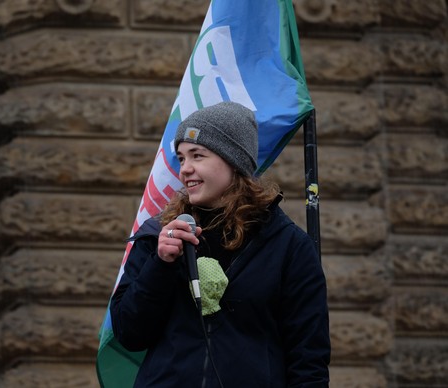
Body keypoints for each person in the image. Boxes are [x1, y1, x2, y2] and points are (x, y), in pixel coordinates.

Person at [110, 101, 330, 387]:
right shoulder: (157, 236)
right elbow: (129, 334)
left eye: (197, 156)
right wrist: (161, 264)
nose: (184, 169)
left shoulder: (289, 246)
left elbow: (309, 359)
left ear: (234, 161)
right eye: (181, 158)